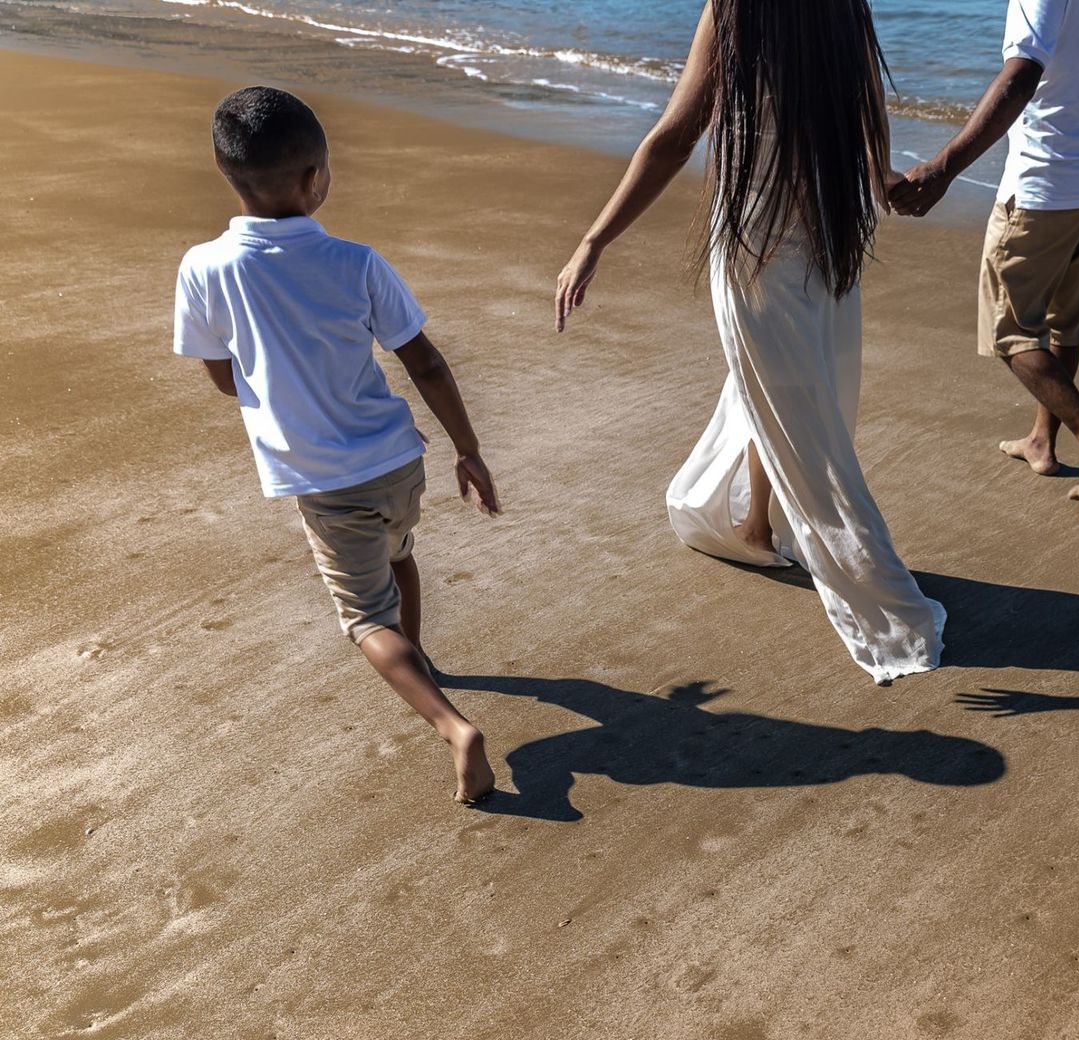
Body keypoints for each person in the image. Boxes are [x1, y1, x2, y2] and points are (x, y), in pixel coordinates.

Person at [554, 0, 944, 685]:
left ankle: (886, 604)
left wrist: (594, 239)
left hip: (756, 249)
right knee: (783, 393)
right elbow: (866, 96)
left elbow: (677, 136)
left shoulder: (738, 7)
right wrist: (878, 171)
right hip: (825, 236)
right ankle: (756, 527)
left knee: (801, 418)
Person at [173, 87, 502, 803]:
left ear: (229, 175)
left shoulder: (204, 268)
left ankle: (451, 725)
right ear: (314, 178)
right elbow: (427, 363)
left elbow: (224, 379)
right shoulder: (357, 262)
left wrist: (276, 379)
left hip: (322, 479)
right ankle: (422, 660)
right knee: (400, 552)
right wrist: (468, 450)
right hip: (397, 459)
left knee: (362, 617)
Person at [891, 0, 1079, 500]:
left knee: (1009, 331)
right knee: (1065, 319)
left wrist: (943, 167)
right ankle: (1042, 441)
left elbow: (1021, 77)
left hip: (1046, 185)